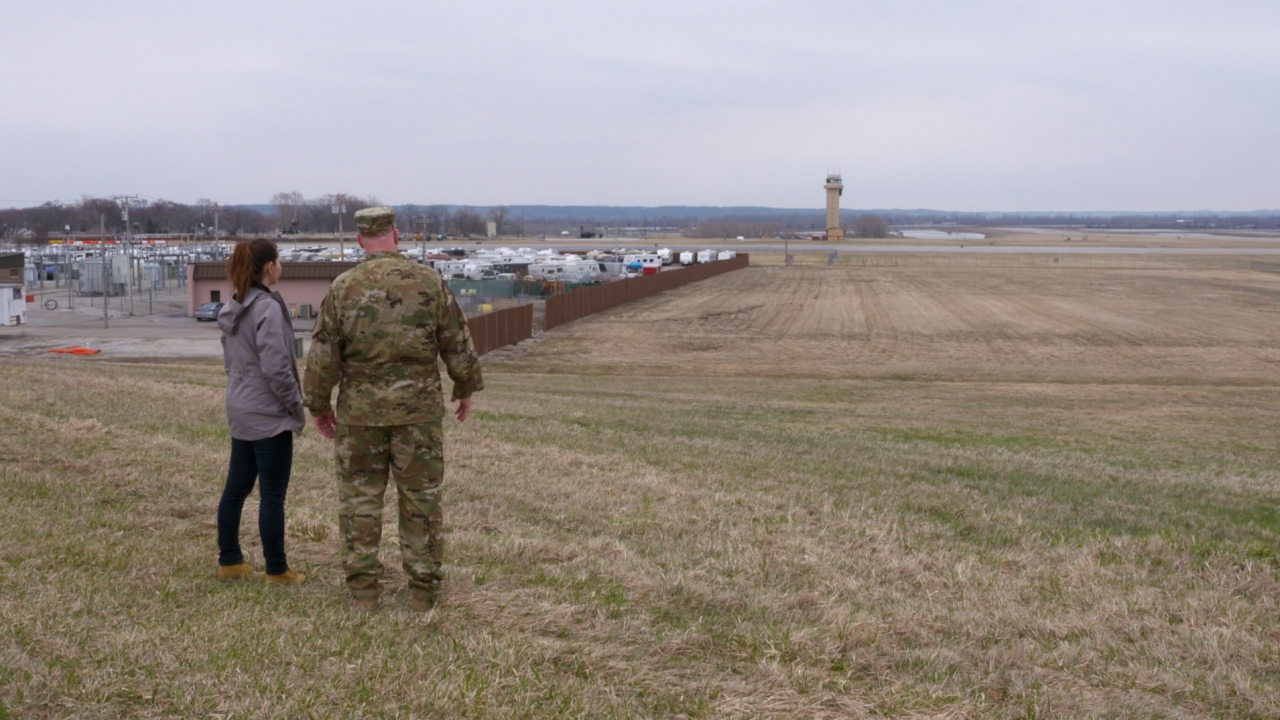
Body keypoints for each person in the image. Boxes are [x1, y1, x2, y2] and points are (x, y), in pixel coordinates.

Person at [303, 207, 483, 611]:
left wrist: (318, 405)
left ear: (359, 240)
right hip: (417, 415)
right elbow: (457, 341)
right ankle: (423, 591)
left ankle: (364, 591)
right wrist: (465, 386)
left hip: (360, 414)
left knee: (360, 500)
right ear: (396, 235)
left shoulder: (344, 287)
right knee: (421, 500)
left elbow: (323, 355)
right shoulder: (429, 282)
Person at [216, 238, 306, 585]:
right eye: (279, 260)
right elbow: (277, 365)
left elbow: (231, 361)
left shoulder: (235, 303)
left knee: (236, 489)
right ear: (269, 267)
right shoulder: (266, 307)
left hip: (240, 405)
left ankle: (229, 560)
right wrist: (292, 405)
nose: (281, 265)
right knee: (272, 495)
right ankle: (277, 569)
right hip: (267, 413)